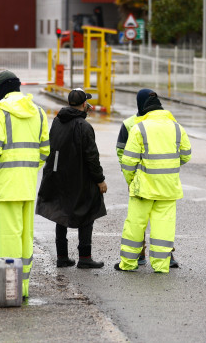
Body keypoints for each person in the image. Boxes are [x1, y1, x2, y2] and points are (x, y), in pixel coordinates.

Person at [0, 70, 49, 298]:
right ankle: (23, 288)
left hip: (5, 187)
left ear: (1, 88)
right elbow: (44, 151)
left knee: (7, 239)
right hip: (27, 186)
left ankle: (10, 289)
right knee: (25, 239)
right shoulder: (38, 112)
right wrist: (26, 171)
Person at [115, 91, 191, 273]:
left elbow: (128, 161)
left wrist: (132, 180)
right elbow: (186, 155)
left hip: (143, 188)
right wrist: (169, 167)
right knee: (164, 227)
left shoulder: (139, 128)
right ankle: (161, 265)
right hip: (168, 188)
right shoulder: (176, 127)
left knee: (135, 225)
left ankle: (128, 264)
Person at [36, 88, 107, 269]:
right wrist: (100, 180)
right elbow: (92, 157)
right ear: (84, 104)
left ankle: (62, 256)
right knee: (88, 212)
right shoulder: (84, 127)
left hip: (58, 177)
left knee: (61, 215)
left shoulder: (57, 121)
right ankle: (85, 257)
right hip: (80, 180)